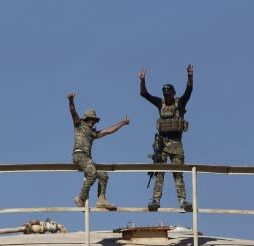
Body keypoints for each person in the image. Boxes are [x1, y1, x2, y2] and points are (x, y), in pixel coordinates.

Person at [139, 64, 194, 211]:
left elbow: (189, 90)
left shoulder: (180, 103)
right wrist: (142, 80)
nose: (167, 96)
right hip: (162, 145)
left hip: (176, 145)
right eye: (165, 94)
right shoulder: (160, 103)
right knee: (160, 174)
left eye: (169, 94)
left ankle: (183, 201)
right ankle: (155, 200)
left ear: (174, 94)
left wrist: (190, 76)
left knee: (178, 174)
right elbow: (144, 94)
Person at [68, 91, 130, 210]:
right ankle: (80, 198)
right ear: (86, 119)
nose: (92, 121)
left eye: (94, 120)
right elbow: (73, 112)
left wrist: (122, 123)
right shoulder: (79, 125)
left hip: (87, 159)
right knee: (92, 173)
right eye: (91, 119)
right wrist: (71, 100)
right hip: (79, 155)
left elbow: (108, 131)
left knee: (103, 176)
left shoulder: (92, 133)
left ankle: (101, 199)